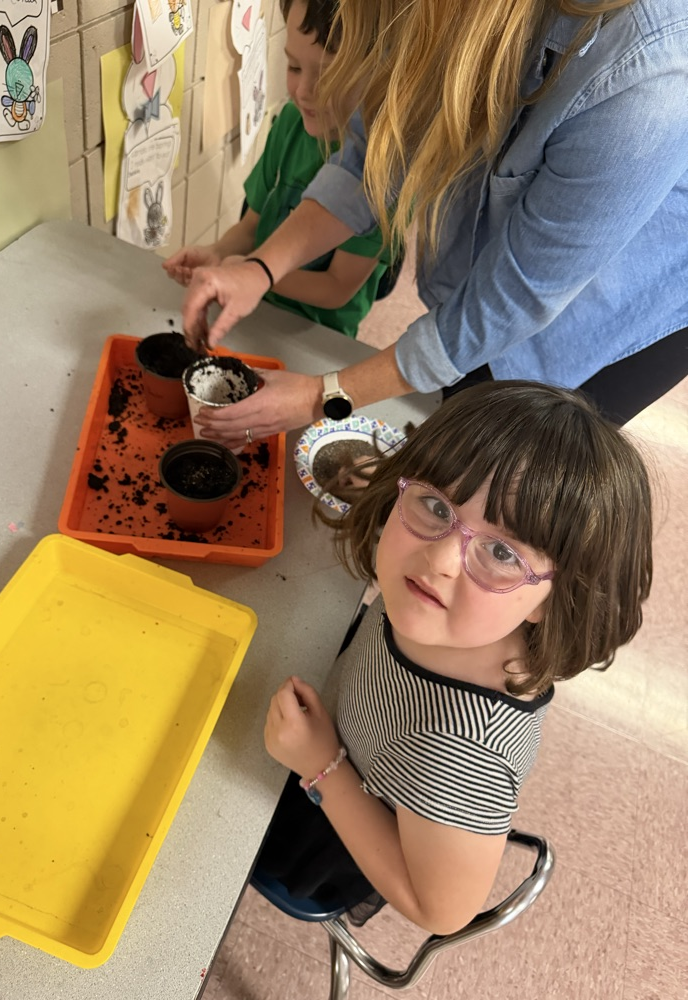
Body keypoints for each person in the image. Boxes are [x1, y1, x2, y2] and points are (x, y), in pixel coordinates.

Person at [179, 0, 688, 450]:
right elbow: (375, 157)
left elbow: (513, 297)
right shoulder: (445, 21)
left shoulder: (647, 78)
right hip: (518, 277)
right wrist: (261, 268)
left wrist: (326, 395)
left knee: (510, 455)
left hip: (616, 307)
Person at [258, 381, 653, 932]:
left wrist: (322, 765)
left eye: (501, 552)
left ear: (555, 597)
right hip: (334, 733)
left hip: (326, 817)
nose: (439, 559)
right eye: (436, 505)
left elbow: (441, 910)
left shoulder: (464, 753)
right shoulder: (455, 612)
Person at [163, 0, 393, 339]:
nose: (304, 92)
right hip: (255, 308)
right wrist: (218, 254)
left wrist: (251, 272)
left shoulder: (386, 173)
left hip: (318, 334)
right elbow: (251, 226)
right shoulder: (289, 124)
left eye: (328, 75)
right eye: (294, 67)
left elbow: (336, 289)